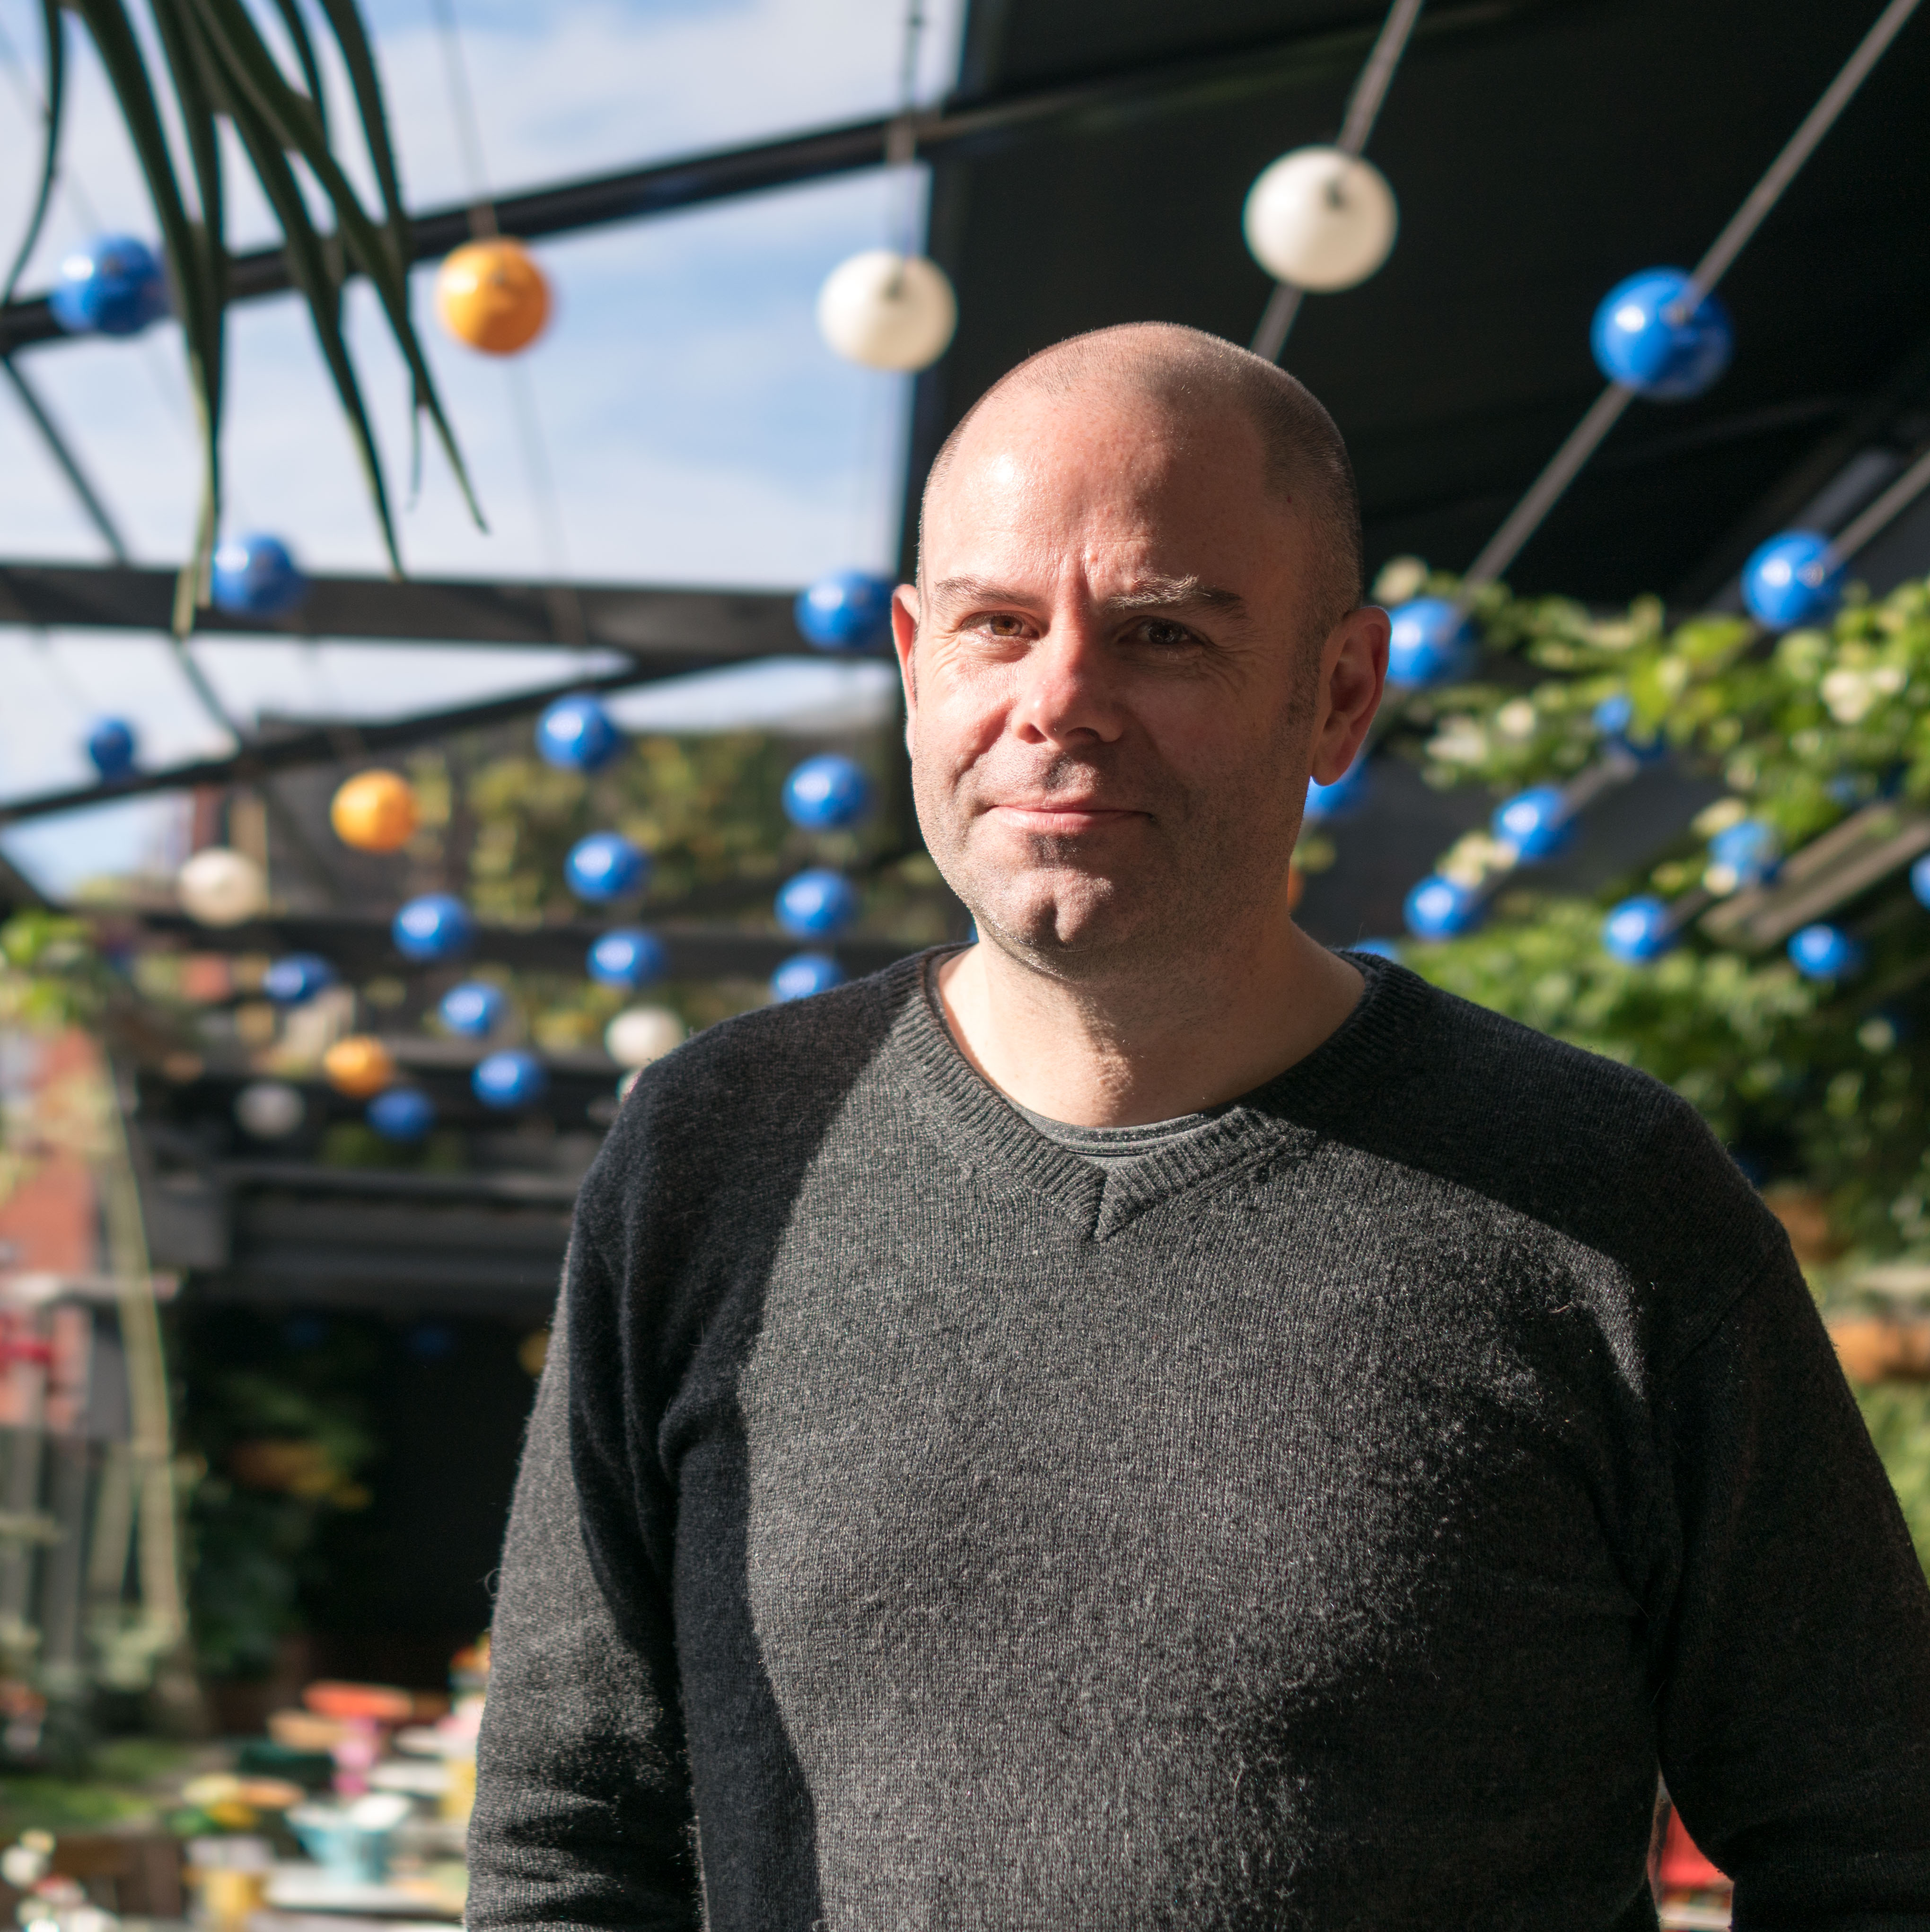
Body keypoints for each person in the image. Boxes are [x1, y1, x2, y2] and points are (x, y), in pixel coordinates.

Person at [467, 324, 1930, 1929]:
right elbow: (566, 1842)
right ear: (913, 661)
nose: (1059, 702)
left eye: (1163, 634)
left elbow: (1873, 1838)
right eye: (996, 627)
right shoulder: (715, 1155)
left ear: (1340, 692)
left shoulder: (1599, 1197)